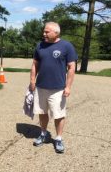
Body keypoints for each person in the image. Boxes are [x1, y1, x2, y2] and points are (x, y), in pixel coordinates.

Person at [29, 21, 77, 154]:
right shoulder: (40, 46)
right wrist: (32, 80)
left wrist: (68, 87)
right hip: (40, 87)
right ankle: (43, 133)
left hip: (58, 89)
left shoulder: (66, 46)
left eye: (46, 31)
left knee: (59, 115)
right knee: (42, 112)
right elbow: (34, 64)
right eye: (44, 31)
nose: (43, 33)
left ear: (56, 33)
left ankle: (59, 138)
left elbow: (71, 67)